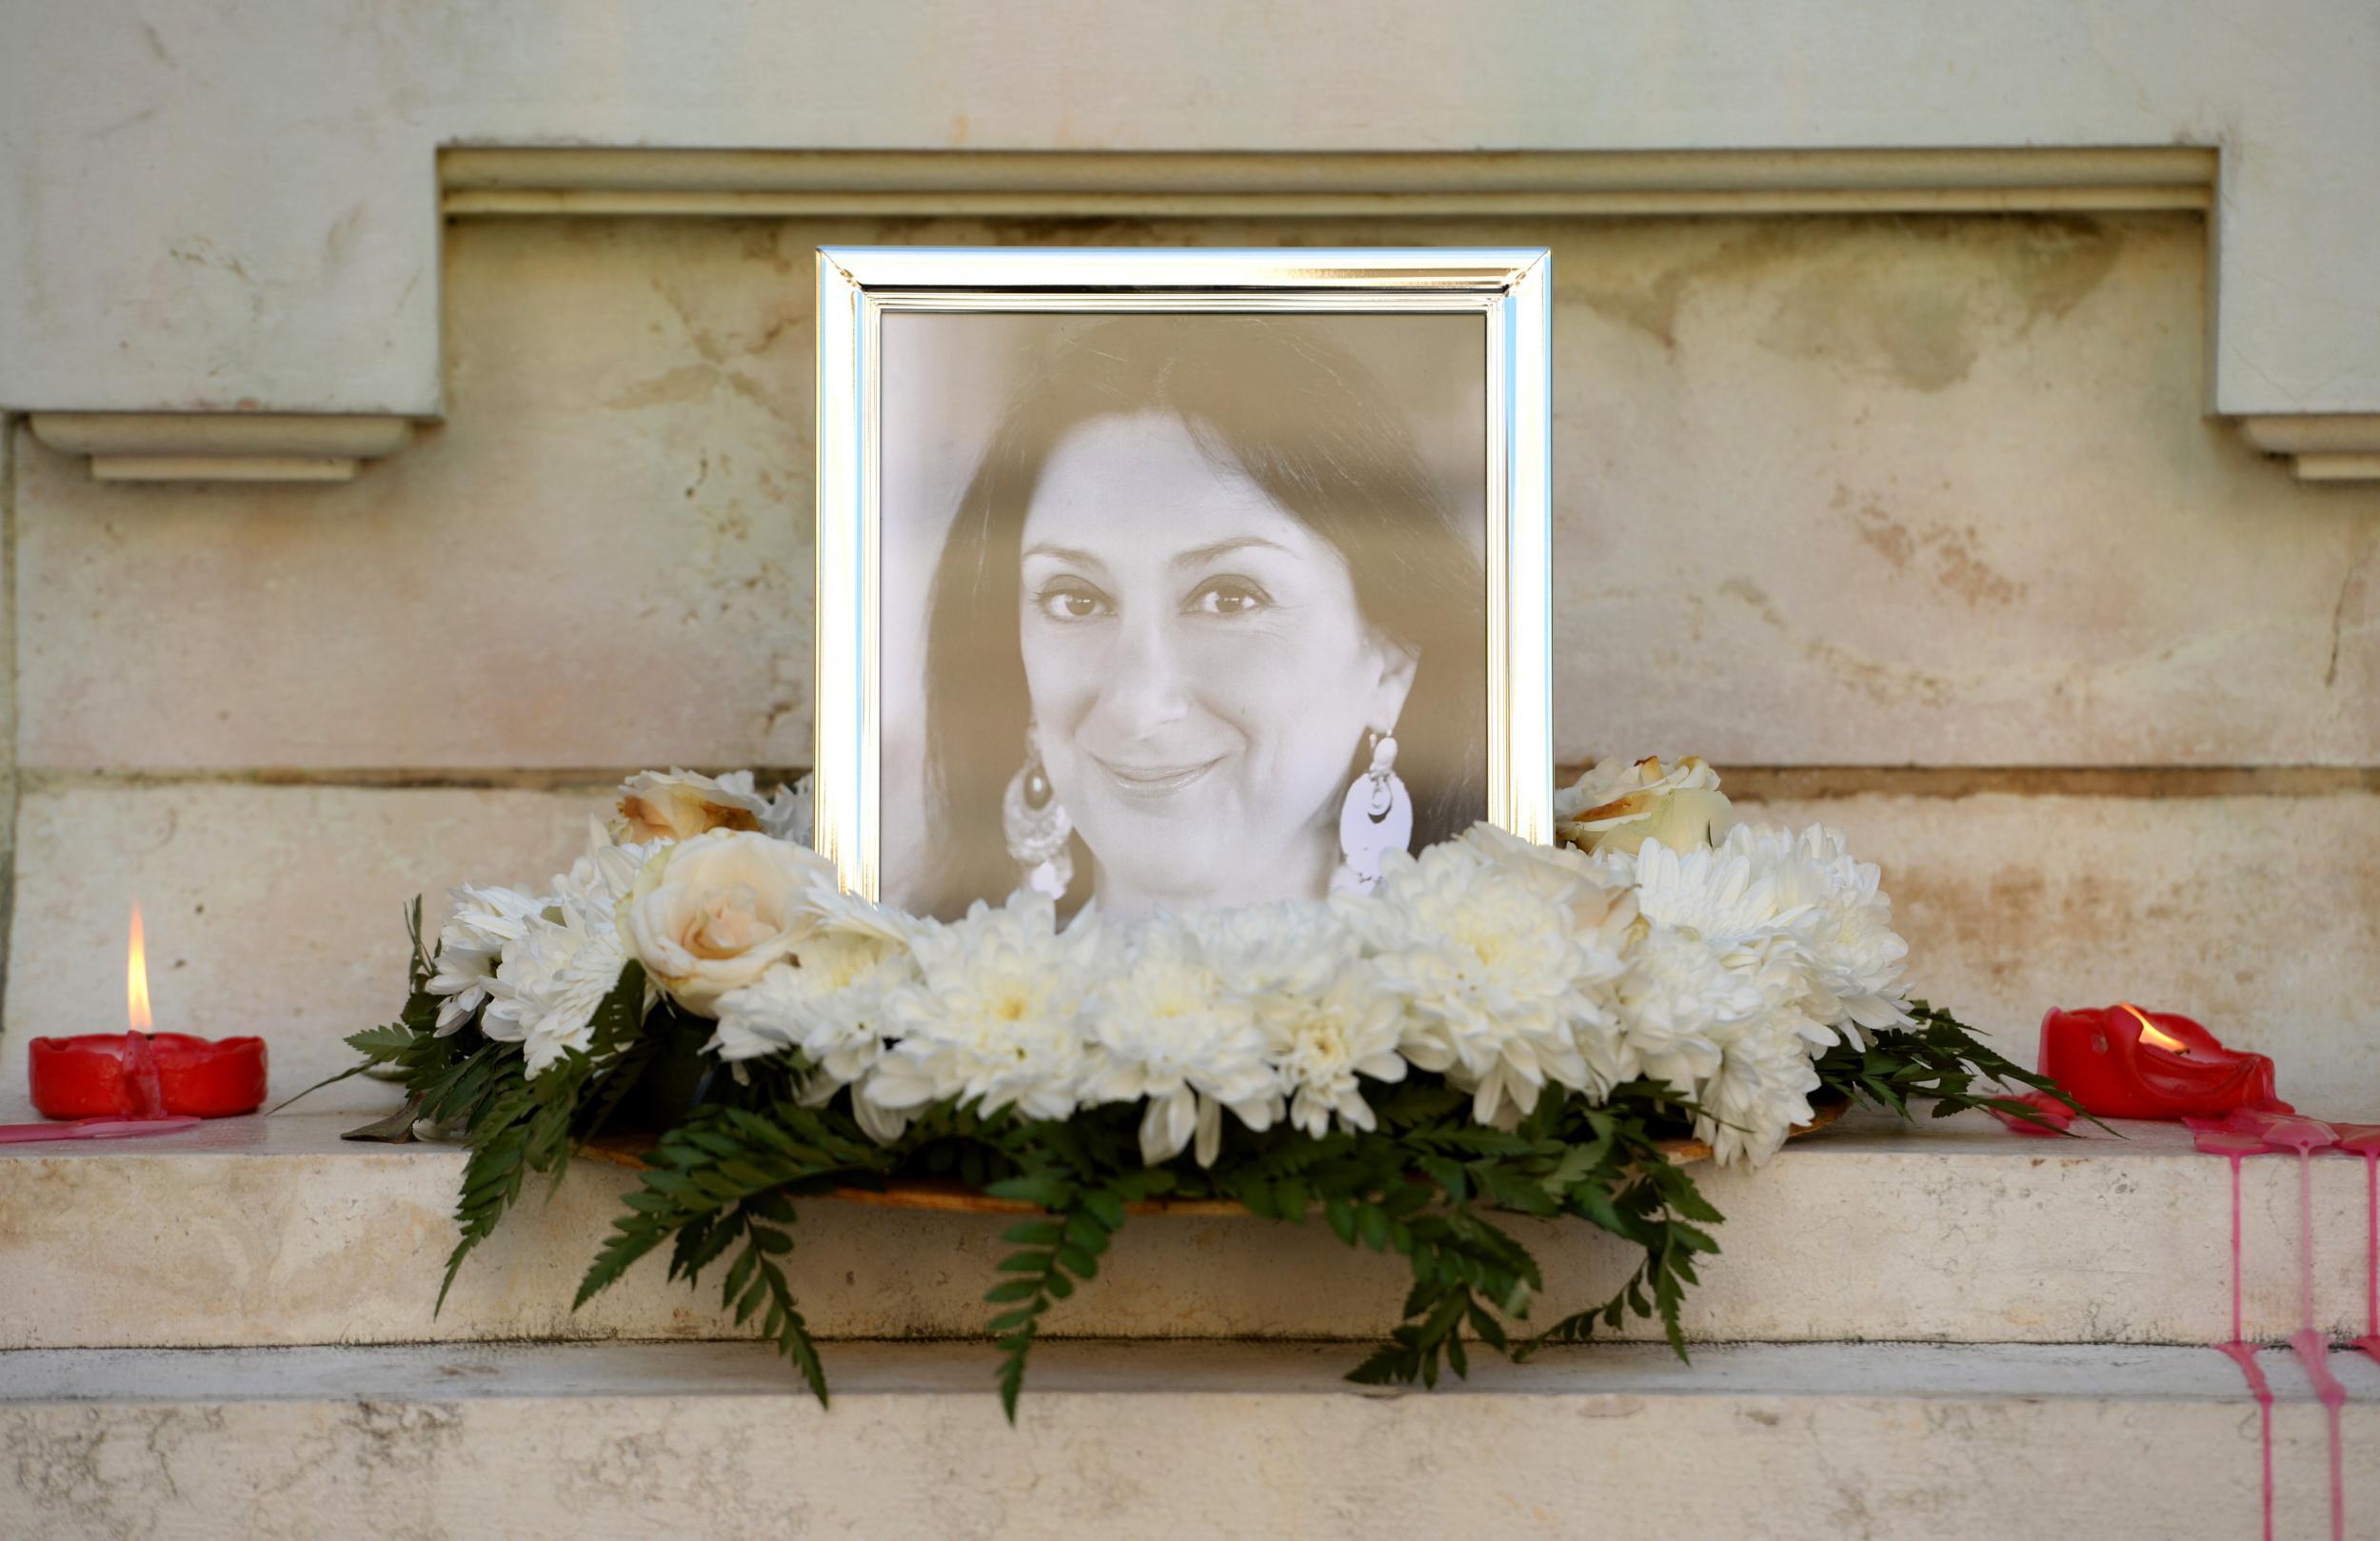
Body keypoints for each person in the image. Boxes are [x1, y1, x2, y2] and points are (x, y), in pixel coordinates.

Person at [918, 314, 1486, 920]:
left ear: (1390, 665)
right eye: (1075, 601)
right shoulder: (893, 991)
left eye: (1230, 598)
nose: (1138, 704)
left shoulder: (1525, 996)